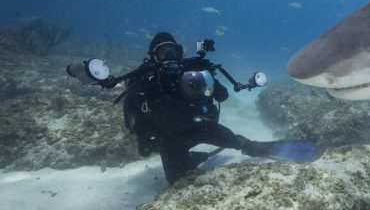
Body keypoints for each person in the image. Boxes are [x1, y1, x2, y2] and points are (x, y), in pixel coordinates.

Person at [101, 32, 316, 184]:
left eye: (172, 51)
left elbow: (222, 94)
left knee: (242, 143)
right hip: (168, 138)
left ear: (180, 52)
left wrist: (205, 80)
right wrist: (146, 138)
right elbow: (131, 118)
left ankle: (263, 148)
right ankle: (197, 158)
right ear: (152, 57)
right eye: (162, 53)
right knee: (176, 179)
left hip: (200, 126)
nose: (168, 57)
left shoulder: (194, 69)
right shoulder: (143, 78)